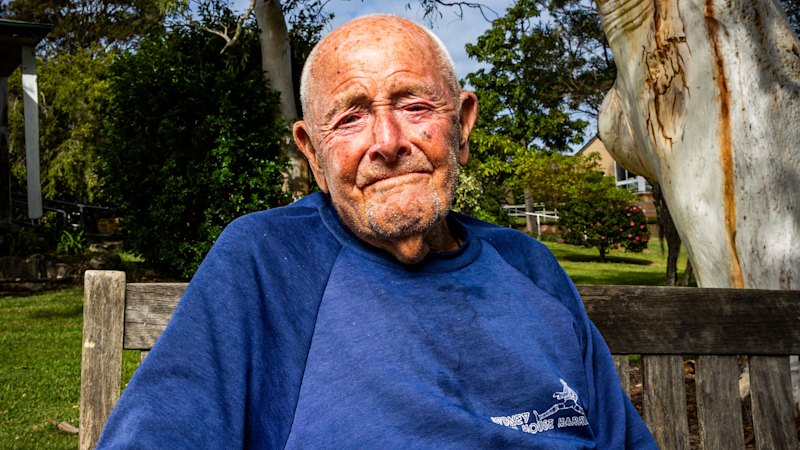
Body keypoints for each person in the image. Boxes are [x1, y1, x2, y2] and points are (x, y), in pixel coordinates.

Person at [97, 14, 657, 449]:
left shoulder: (530, 265)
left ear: (461, 127)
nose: (387, 141)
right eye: (351, 117)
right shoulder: (265, 261)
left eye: (414, 105)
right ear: (313, 154)